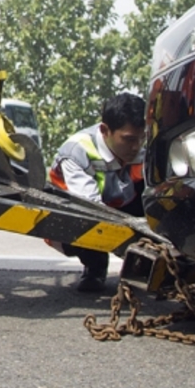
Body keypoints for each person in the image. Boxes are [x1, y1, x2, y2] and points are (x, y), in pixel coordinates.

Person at [48, 92, 146, 293]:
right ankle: (95, 266)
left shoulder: (144, 147)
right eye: (128, 139)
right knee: (83, 223)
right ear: (105, 130)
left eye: (141, 138)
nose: (136, 146)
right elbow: (92, 210)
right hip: (80, 212)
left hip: (123, 201)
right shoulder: (77, 152)